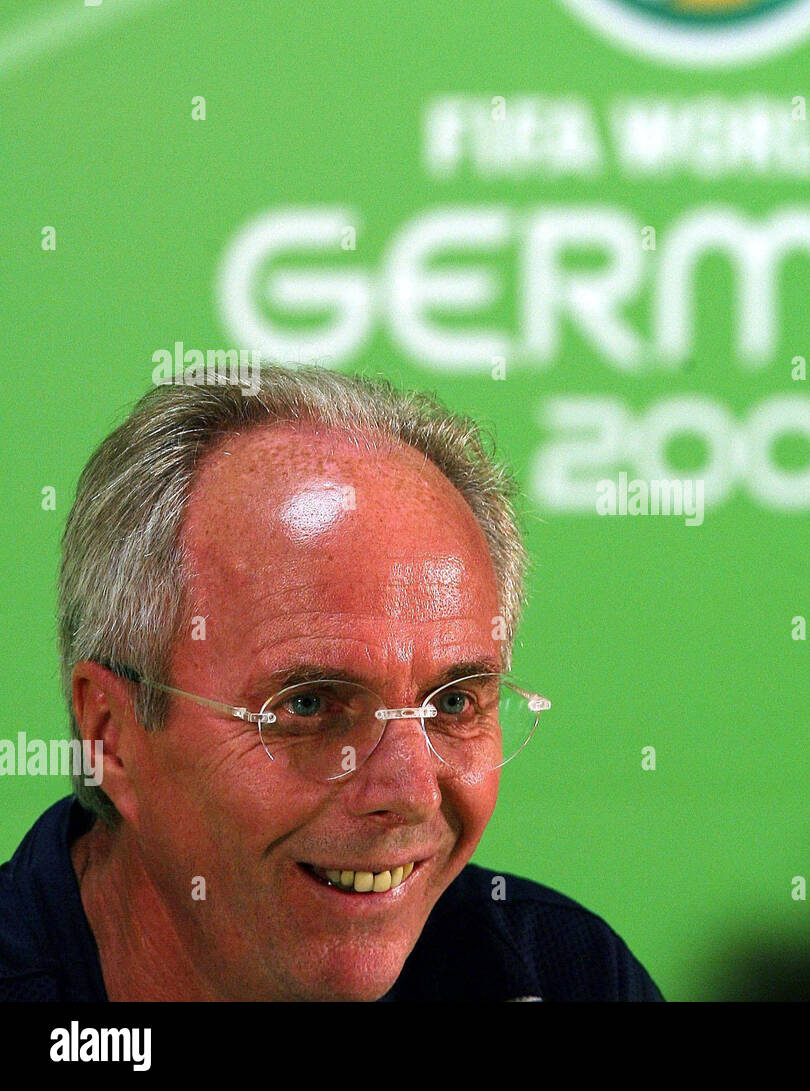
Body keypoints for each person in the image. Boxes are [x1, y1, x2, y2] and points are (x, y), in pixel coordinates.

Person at [0, 365, 662, 1001]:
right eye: (310, 707)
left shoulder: (561, 974)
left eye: (454, 703)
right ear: (112, 739)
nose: (408, 792)